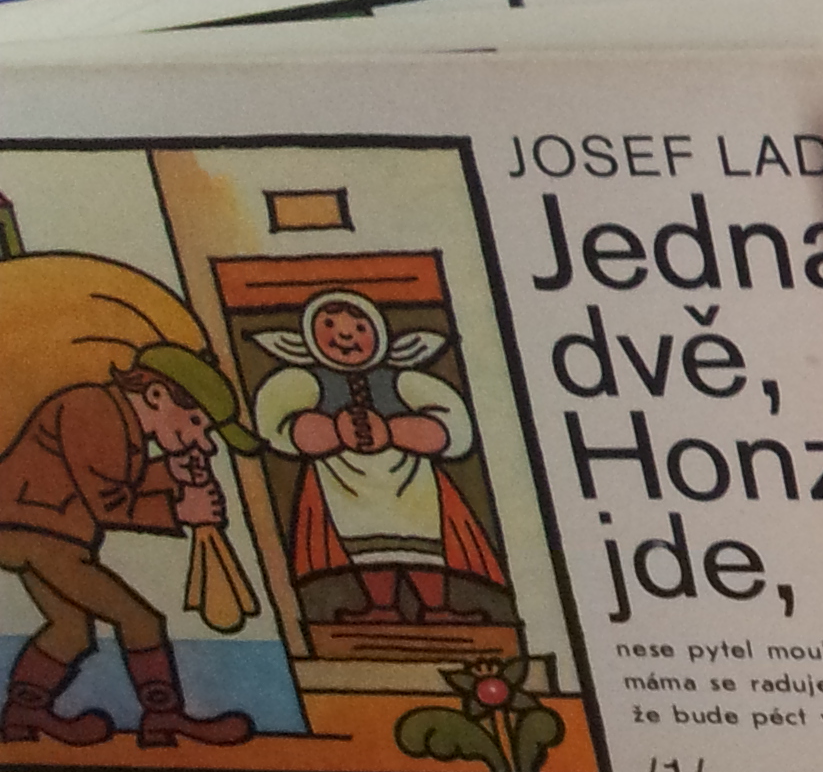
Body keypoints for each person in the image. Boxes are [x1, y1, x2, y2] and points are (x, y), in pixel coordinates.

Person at [0, 345, 256, 746]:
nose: (203, 443)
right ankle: (163, 717)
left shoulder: (119, 421)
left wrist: (170, 472)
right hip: (38, 532)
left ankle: (22, 714)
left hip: (42, 534)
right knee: (139, 620)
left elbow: (114, 480)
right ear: (156, 394)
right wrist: (180, 511)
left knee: (71, 631)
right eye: (195, 422)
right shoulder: (94, 410)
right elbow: (109, 504)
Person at [250, 289, 500, 624]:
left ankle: (437, 607)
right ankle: (382, 607)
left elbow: (450, 427)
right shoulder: (305, 383)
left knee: (423, 544)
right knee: (364, 547)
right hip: (344, 479)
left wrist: (394, 431)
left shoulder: (402, 381)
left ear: (379, 333)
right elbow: (280, 425)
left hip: (409, 479)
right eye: (330, 325)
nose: (345, 335)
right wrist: (332, 431)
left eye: (359, 327)